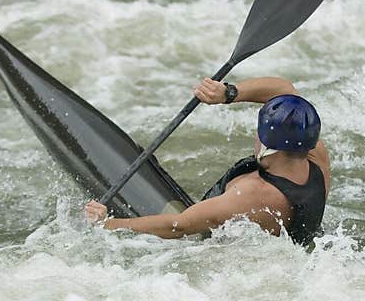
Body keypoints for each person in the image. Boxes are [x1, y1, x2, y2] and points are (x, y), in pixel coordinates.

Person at [84, 76, 331, 246]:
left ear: (267, 141)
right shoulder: (316, 155)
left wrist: (108, 223)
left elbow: (178, 226)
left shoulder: (254, 194)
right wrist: (229, 93)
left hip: (225, 259)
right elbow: (284, 90)